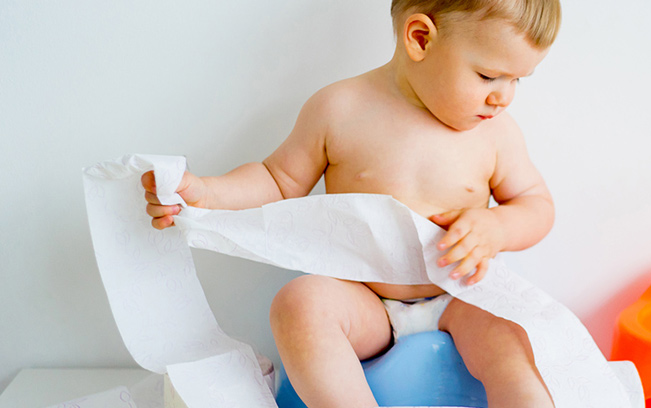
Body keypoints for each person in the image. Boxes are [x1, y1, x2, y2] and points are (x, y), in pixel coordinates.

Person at [141, 1, 561, 406]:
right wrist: (207, 194)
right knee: (298, 303)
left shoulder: (496, 134)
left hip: (458, 296)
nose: (503, 97)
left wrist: (497, 228)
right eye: (489, 76)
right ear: (420, 38)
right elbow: (278, 179)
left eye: (517, 80)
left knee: (515, 330)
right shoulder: (340, 109)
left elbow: (535, 205)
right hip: (363, 302)